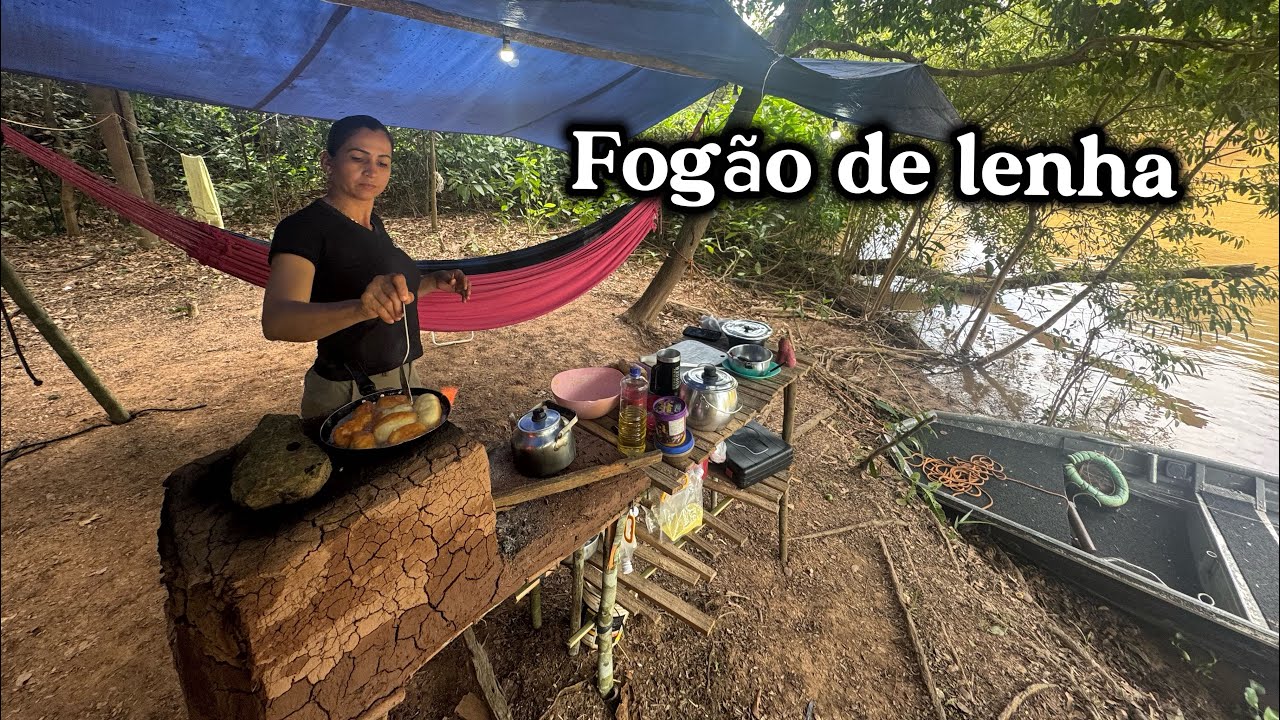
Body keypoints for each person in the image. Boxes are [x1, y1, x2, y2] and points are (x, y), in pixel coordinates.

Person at [261, 115, 469, 421]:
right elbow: (278, 322)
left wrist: (431, 282)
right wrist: (361, 308)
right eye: (358, 158)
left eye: (383, 162)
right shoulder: (302, 229)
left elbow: (389, 299)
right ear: (327, 161)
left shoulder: (374, 226)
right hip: (349, 392)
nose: (372, 170)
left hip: (402, 380)